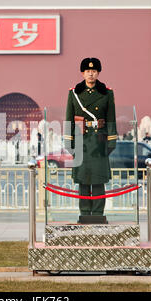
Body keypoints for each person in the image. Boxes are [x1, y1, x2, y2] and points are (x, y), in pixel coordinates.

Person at [64, 57, 117, 224]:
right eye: (88, 71)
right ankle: (85, 212)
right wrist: (69, 142)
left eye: (94, 71)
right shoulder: (74, 93)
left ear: (98, 73)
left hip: (99, 140)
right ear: (82, 73)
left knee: (99, 179)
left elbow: (111, 119)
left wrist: (111, 141)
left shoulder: (107, 93)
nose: (91, 74)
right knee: (83, 180)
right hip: (82, 141)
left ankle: (98, 213)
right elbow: (69, 119)